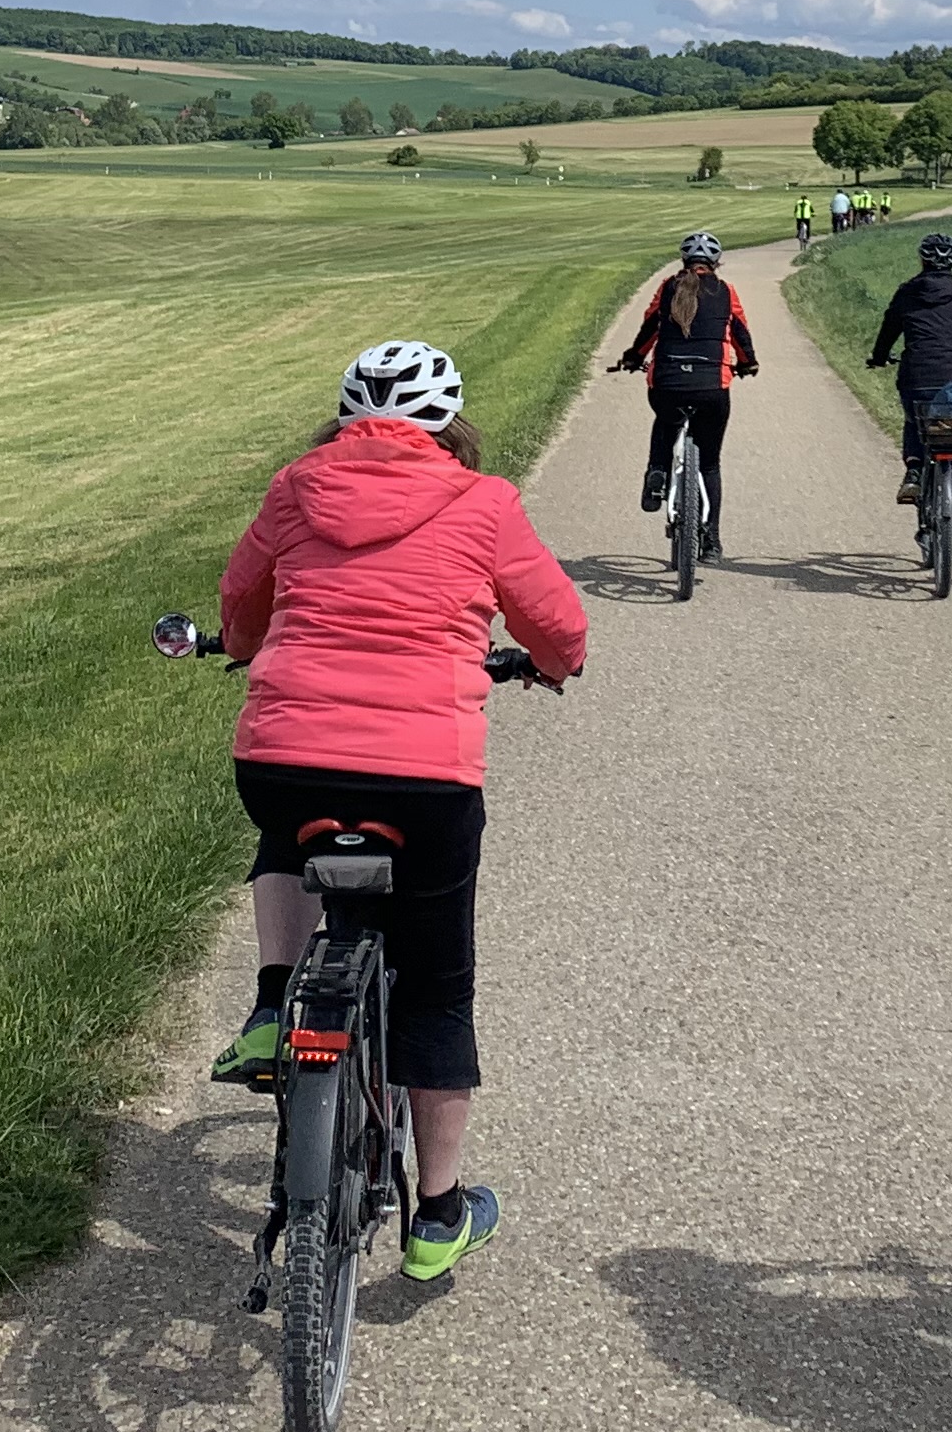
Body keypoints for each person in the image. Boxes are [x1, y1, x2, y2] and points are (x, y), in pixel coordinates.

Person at [211, 338, 590, 1281]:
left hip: (288, 759)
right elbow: (556, 623)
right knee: (435, 988)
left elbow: (241, 601)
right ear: (449, 424)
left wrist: (243, 644)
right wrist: (552, 664)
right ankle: (438, 1214)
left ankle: (271, 1004)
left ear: (345, 418)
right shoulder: (482, 499)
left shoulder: (296, 486)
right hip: (426, 780)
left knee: (283, 832)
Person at [612, 231, 760, 547]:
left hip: (667, 382)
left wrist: (633, 357)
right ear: (716, 263)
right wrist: (748, 364)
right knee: (709, 463)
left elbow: (650, 328)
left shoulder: (667, 288)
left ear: (684, 261)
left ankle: (657, 473)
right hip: (712, 387)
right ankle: (712, 542)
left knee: (666, 420)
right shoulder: (726, 291)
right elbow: (741, 335)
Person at [864, 228, 952, 548]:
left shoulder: (906, 293)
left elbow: (888, 330)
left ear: (922, 260)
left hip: (916, 376)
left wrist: (879, 358)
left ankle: (915, 471)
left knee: (913, 421)